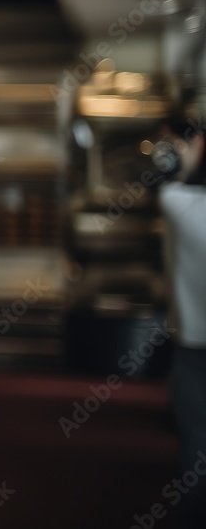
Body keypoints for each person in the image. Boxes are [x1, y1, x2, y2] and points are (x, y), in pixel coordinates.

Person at [156, 113, 206, 529]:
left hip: (192, 346)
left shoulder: (177, 203)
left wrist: (181, 157)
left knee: (196, 444)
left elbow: (168, 177)